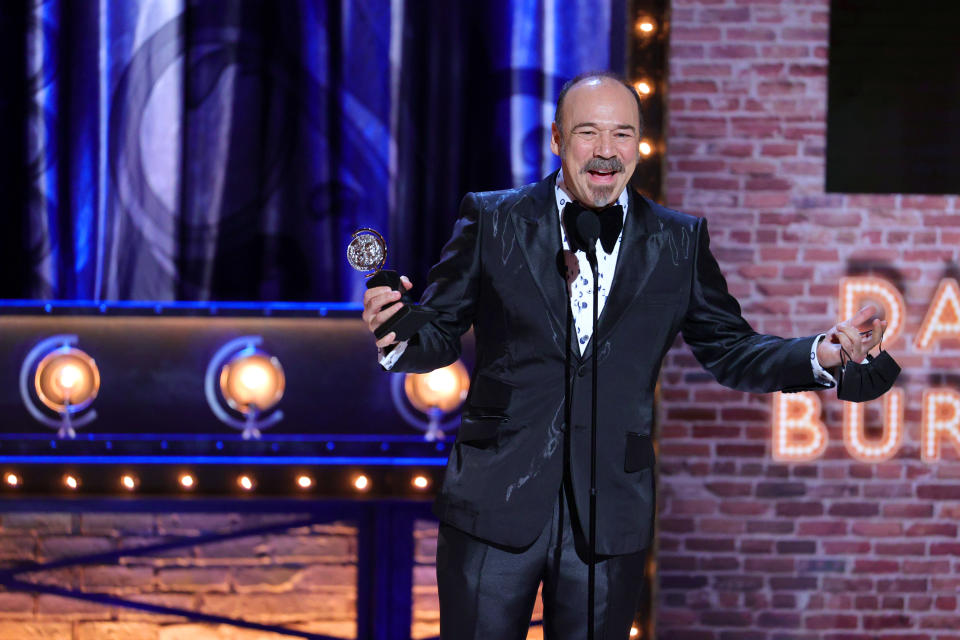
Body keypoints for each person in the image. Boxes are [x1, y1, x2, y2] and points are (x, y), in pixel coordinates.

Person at [362, 71, 884, 640]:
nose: (606, 151)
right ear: (558, 139)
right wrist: (398, 331)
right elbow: (436, 333)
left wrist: (820, 353)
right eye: (588, 133)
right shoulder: (494, 219)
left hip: (609, 512)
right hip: (495, 500)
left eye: (622, 134)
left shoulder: (678, 242)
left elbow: (731, 350)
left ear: (640, 144)